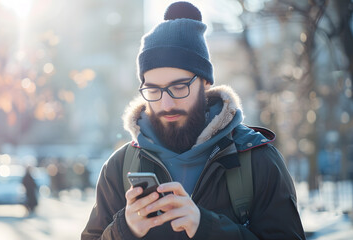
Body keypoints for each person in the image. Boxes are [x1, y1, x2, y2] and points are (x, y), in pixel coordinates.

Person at [82, 2, 305, 239]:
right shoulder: (119, 167)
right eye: (153, 90)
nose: (166, 104)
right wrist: (124, 230)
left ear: (205, 82)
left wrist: (206, 227)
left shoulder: (258, 159)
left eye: (179, 87)